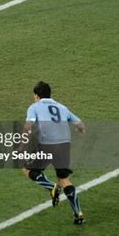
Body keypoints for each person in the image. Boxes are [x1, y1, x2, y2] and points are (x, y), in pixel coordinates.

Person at [22, 81, 86, 225]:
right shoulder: (62, 107)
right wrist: (80, 130)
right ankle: (78, 212)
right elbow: (80, 124)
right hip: (64, 146)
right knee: (63, 180)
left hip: (47, 145)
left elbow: (28, 126)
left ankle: (51, 187)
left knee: (27, 168)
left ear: (37, 96)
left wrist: (22, 144)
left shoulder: (35, 107)